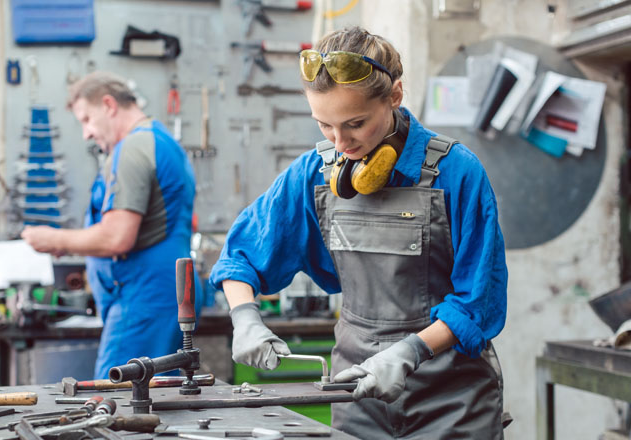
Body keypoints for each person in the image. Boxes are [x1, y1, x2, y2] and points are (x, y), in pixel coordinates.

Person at [209, 26, 507, 439]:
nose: (340, 142)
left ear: (395, 97)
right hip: (356, 394)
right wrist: (244, 317)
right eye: (324, 125)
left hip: (451, 400)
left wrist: (410, 351)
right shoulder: (314, 173)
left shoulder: (457, 172)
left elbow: (480, 301)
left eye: (355, 123)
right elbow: (240, 256)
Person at [22, 71, 199, 380]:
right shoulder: (162, 141)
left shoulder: (132, 149)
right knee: (150, 400)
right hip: (158, 295)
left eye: (87, 119)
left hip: (141, 301)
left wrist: (55, 239)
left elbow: (118, 237)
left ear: (109, 105)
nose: (86, 133)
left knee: (117, 399)